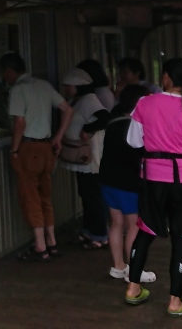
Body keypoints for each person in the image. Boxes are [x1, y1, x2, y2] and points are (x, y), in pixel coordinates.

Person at [124, 57, 182, 317]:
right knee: (181, 238)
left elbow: (133, 141)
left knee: (145, 231)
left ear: (166, 77)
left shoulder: (144, 103)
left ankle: (133, 288)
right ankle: (175, 302)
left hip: (152, 179)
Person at [4, 52, 74, 262]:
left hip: (28, 147)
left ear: (10, 71)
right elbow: (67, 110)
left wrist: (14, 150)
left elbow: (20, 123)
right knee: (45, 195)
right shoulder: (43, 85)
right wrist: (58, 137)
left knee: (30, 196)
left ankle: (40, 245)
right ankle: (52, 241)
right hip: (46, 147)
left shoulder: (19, 89)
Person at [86, 83, 156, 283]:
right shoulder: (135, 128)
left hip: (108, 181)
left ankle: (118, 266)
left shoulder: (113, 122)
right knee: (134, 226)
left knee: (116, 223)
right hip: (129, 184)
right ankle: (135, 270)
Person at [59, 67, 110, 248]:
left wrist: (87, 130)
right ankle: (89, 230)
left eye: (69, 86)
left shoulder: (89, 100)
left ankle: (100, 234)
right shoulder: (77, 100)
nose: (66, 89)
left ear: (78, 86)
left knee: (92, 195)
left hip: (90, 157)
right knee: (86, 194)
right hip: (81, 157)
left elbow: (104, 118)